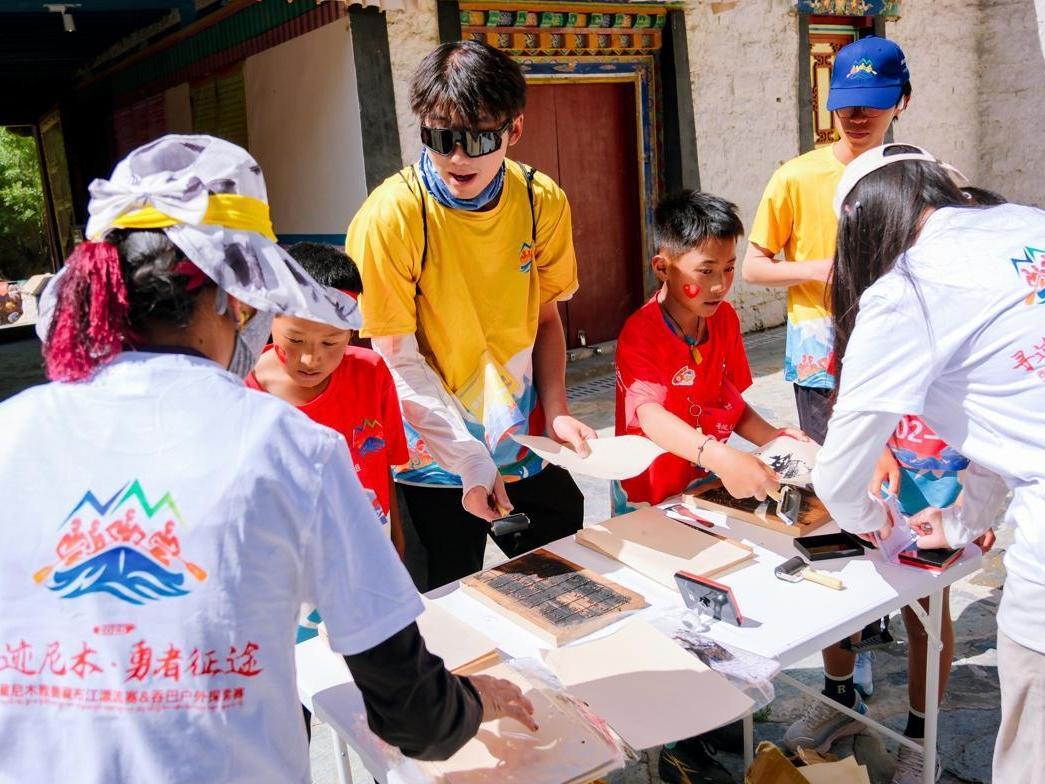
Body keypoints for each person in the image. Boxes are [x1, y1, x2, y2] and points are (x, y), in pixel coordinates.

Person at [0, 135, 535, 784]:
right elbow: (413, 716)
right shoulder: (287, 447)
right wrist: (471, 704)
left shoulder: (11, 433)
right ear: (237, 299)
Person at [813, 143, 1045, 784]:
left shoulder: (908, 286)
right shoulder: (1029, 225)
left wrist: (869, 520)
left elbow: (838, 472)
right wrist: (960, 524)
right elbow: (1008, 428)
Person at [347, 41, 594, 589]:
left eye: (480, 138)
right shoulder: (392, 216)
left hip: (520, 441)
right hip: (432, 457)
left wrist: (554, 411)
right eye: (441, 138)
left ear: (516, 129)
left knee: (558, 579)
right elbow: (397, 361)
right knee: (443, 603)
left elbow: (546, 320)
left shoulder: (540, 202)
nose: (458, 158)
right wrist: (467, 460)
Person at [745, 36, 912, 737]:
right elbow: (753, 268)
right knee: (837, 495)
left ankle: (898, 610)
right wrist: (816, 268)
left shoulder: (914, 180)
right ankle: (845, 655)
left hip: (898, 352)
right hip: (820, 354)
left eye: (872, 105)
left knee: (902, 491)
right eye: (845, 105)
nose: (856, 118)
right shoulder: (795, 177)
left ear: (901, 101)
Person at [865, 185, 1005, 782]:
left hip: (953, 488)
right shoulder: (895, 298)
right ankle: (841, 699)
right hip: (893, 476)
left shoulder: (988, 317)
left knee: (929, 608)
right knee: (860, 588)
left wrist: (980, 513)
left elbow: (997, 429)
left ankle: (921, 736)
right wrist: (871, 450)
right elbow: (864, 394)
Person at [614, 190, 806, 516]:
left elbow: (727, 400)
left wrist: (771, 437)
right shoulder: (640, 333)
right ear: (663, 268)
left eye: (729, 268)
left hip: (703, 485)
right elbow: (649, 416)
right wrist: (720, 456)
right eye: (706, 271)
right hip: (648, 491)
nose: (720, 285)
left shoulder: (725, 319)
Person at [247, 241, 408, 559]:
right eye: (295, 339)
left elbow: (383, 467)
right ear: (269, 319)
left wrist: (397, 543)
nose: (310, 359)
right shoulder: (245, 391)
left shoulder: (371, 374)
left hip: (369, 550)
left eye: (330, 342)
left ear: (350, 332)